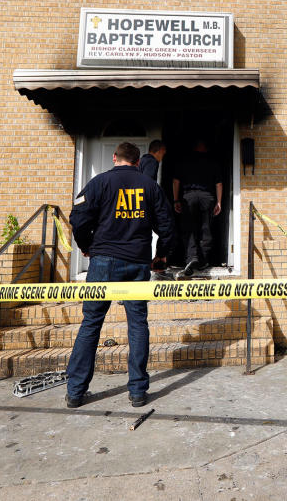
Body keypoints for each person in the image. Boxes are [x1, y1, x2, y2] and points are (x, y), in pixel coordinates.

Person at [66, 141, 176, 409]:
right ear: (138, 162)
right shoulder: (150, 186)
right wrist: (161, 255)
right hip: (137, 263)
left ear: (115, 157)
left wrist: (86, 247)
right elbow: (168, 225)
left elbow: (77, 218)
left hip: (103, 261)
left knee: (91, 321)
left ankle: (75, 392)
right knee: (137, 324)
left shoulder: (99, 182)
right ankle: (138, 391)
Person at [172, 139, 222, 277]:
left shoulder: (184, 160)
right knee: (206, 228)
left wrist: (176, 199)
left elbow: (176, 181)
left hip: (189, 196)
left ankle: (192, 257)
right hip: (207, 196)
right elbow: (218, 184)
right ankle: (203, 260)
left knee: (188, 227)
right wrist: (219, 201)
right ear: (205, 148)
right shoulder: (213, 162)